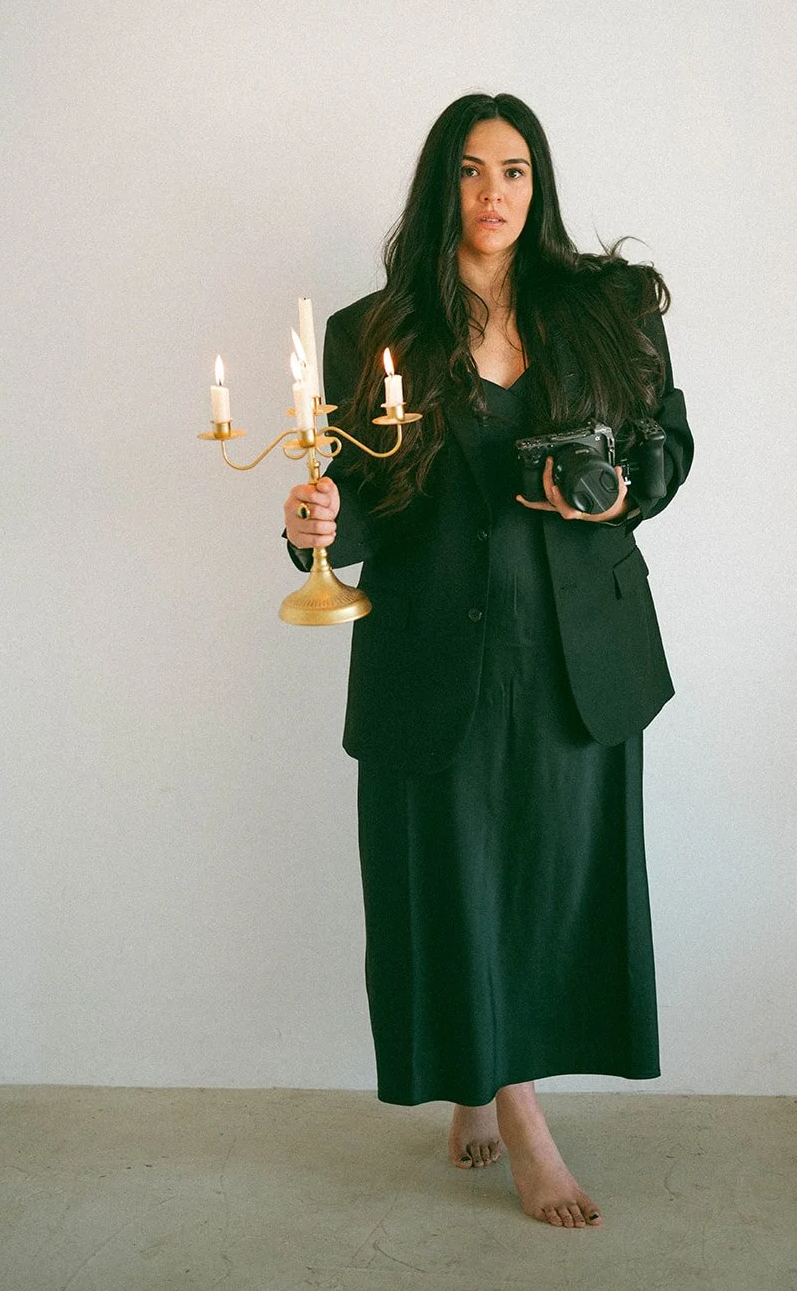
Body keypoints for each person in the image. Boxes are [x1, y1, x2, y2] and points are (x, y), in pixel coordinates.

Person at [282, 92, 693, 1228]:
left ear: (538, 183)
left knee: (551, 879)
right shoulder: (375, 328)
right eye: (469, 171)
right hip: (438, 646)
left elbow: (668, 439)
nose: (493, 193)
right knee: (459, 881)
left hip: (578, 645)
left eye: (513, 169)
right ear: (440, 188)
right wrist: (318, 523)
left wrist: (615, 498)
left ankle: (480, 1075)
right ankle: (517, 1115)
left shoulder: (604, 306)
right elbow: (362, 495)